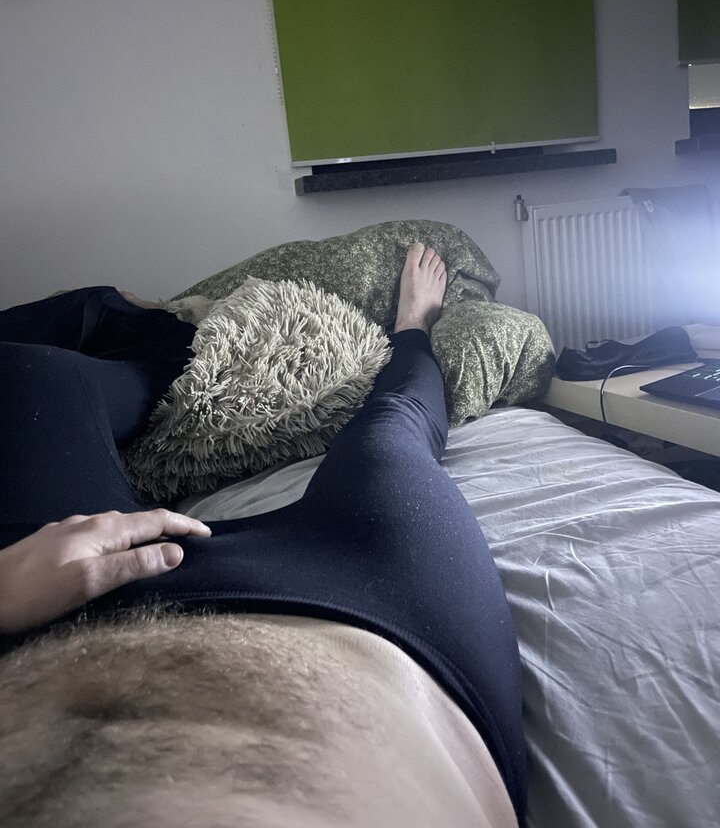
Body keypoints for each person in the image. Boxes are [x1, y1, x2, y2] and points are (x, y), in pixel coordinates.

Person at [0, 245, 527, 828]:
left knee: (27, 375)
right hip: (378, 610)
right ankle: (166, 345)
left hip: (45, 619)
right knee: (397, 424)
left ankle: (407, 327)